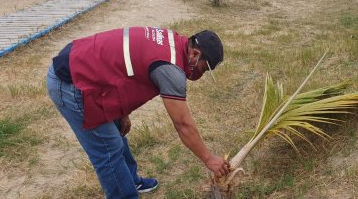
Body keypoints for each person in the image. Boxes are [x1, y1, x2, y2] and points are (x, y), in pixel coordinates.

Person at [46, 27, 230, 199]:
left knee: (117, 134)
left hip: (86, 65)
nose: (202, 74)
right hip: (72, 81)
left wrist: (121, 113)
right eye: (204, 68)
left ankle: (131, 181)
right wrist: (208, 158)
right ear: (194, 54)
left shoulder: (172, 41)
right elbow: (183, 124)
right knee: (109, 149)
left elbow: (127, 67)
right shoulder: (171, 68)